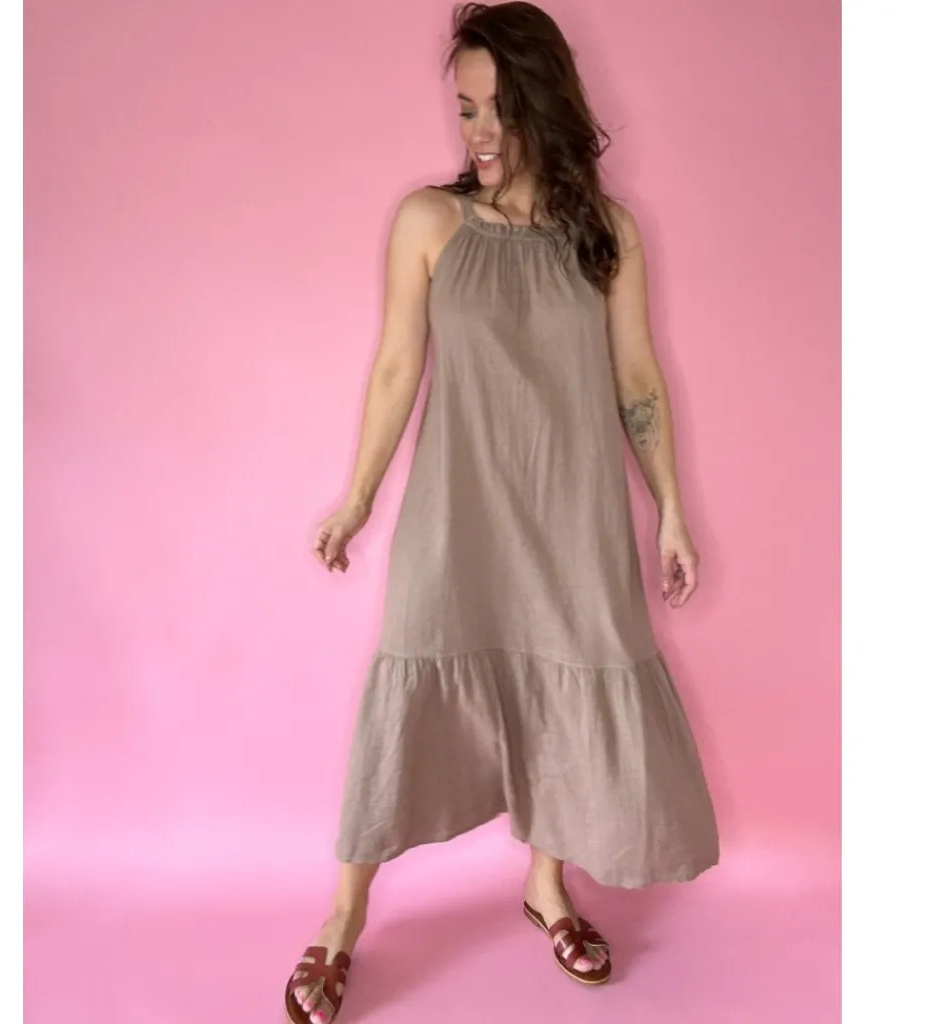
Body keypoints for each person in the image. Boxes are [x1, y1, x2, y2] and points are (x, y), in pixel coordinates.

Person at [283, 3, 719, 1021]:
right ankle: (342, 919)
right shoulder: (427, 224)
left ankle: (545, 887)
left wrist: (670, 510)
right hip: (459, 514)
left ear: (546, 106)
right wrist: (356, 498)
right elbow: (396, 368)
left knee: (562, 684)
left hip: (573, 515)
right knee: (409, 682)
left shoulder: (606, 234)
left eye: (498, 110)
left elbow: (636, 377)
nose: (478, 132)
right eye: (466, 108)